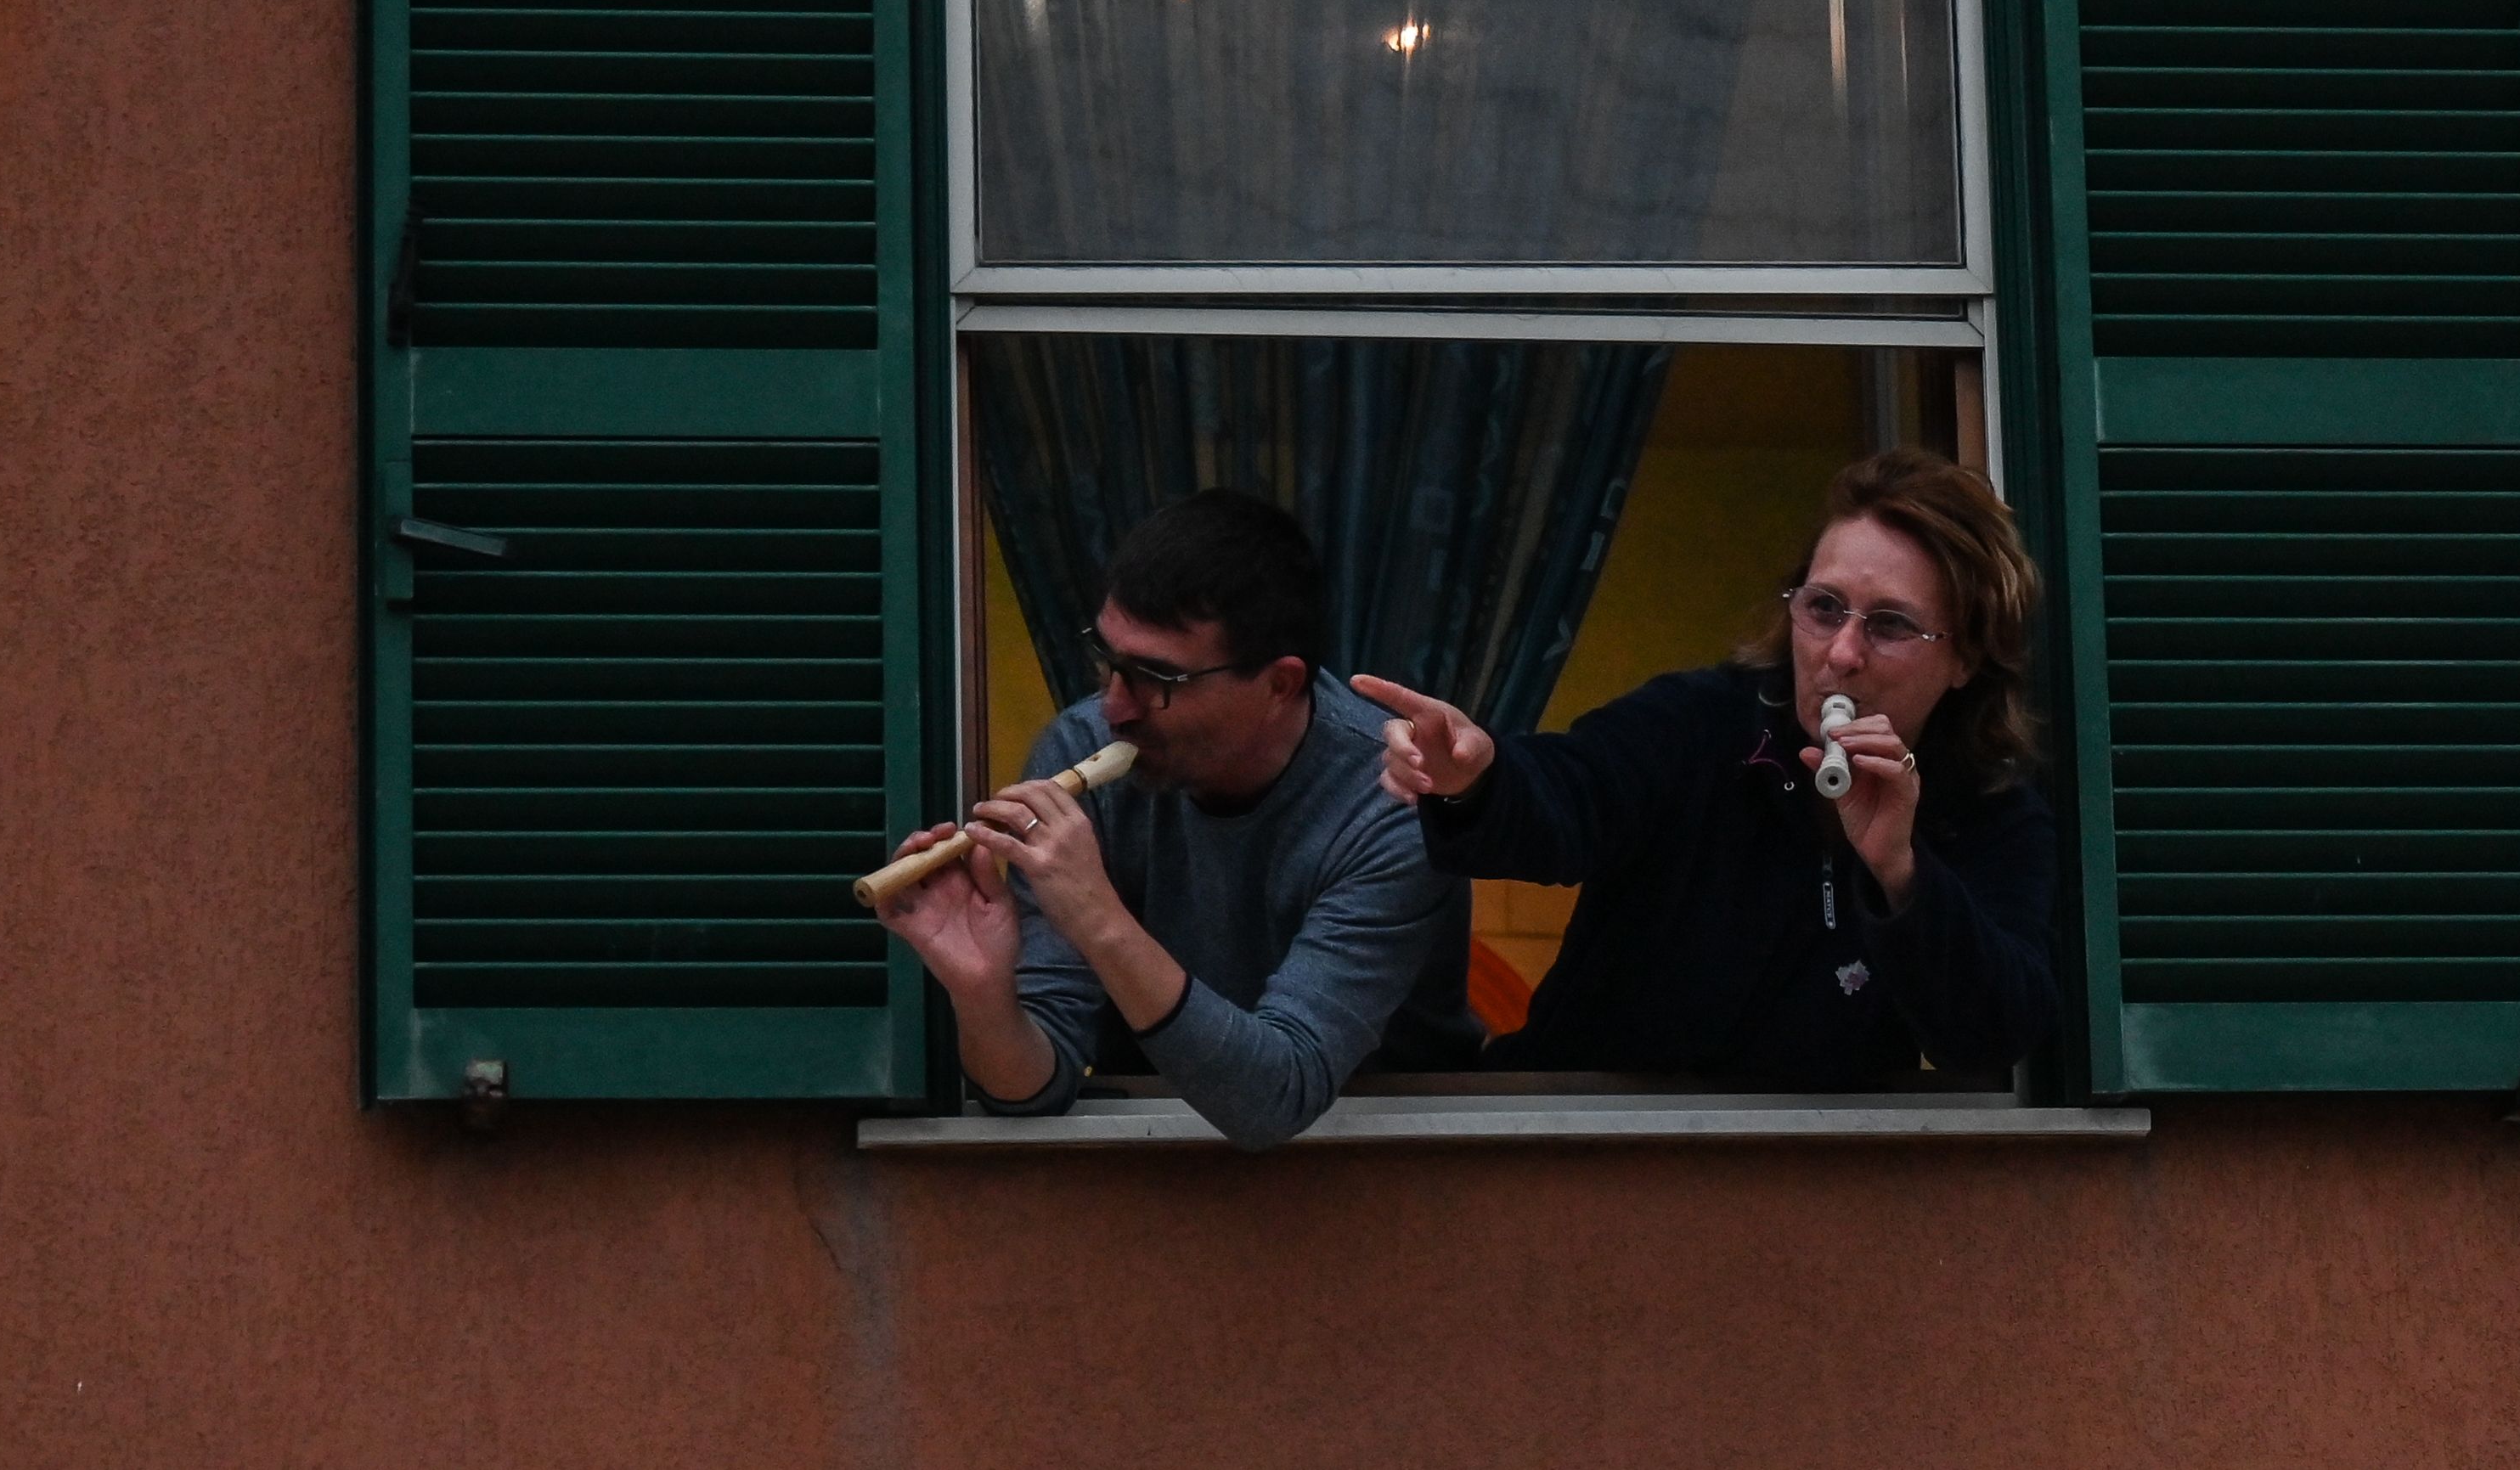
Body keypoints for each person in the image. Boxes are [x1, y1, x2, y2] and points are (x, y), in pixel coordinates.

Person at [1363, 448, 2056, 1087]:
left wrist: (1903, 876)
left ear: (1965, 656)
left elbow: (1993, 1035)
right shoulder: (1706, 723)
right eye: (1823, 608)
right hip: (1585, 1153)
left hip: (1814, 1187)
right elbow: (1577, 791)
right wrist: (1480, 777)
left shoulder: (1988, 808)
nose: (1842, 653)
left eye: (1890, 625)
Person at [871, 489, 1475, 1150]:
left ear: (1279, 684)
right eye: (1108, 661)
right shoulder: (1080, 748)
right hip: (1155, 1160)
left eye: (1156, 678)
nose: (1114, 708)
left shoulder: (1396, 799)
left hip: (1409, 1161)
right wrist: (983, 991)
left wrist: (1097, 915)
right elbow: (1031, 1088)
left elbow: (1277, 1095)